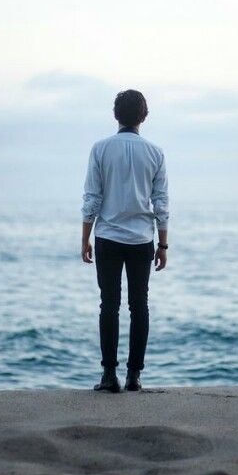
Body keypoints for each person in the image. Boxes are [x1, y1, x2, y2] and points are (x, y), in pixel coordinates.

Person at [81, 89, 169, 393]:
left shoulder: (100, 149)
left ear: (116, 115)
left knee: (109, 305)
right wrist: (163, 244)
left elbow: (92, 198)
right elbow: (161, 202)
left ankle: (109, 376)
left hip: (107, 236)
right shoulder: (156, 153)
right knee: (139, 305)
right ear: (143, 117)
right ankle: (134, 376)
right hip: (142, 239)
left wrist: (85, 238)